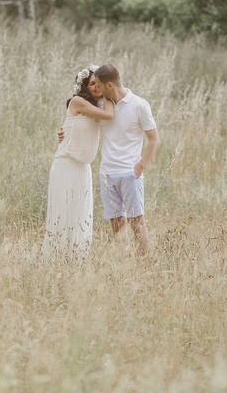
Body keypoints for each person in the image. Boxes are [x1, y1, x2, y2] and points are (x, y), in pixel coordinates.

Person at [59, 64, 160, 256]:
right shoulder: (100, 105)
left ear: (110, 85)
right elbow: (78, 125)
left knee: (137, 221)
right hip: (107, 173)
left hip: (130, 173)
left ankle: (147, 262)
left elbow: (153, 139)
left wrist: (140, 166)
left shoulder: (139, 105)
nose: (95, 88)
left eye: (98, 84)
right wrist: (63, 134)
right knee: (116, 223)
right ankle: (124, 260)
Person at [42, 65, 115, 261]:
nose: (96, 87)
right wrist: (109, 94)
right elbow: (109, 116)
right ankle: (55, 259)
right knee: (63, 214)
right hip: (66, 164)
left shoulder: (99, 107)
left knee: (80, 216)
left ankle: (76, 261)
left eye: (100, 83)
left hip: (83, 168)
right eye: (92, 83)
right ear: (84, 85)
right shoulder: (77, 102)